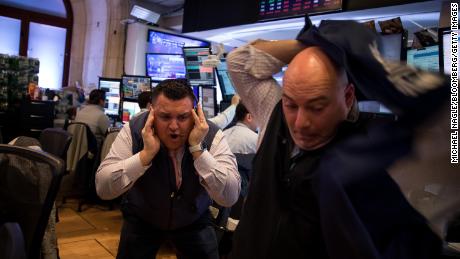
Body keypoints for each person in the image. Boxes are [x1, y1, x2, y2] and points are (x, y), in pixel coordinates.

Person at [226, 18, 447, 259]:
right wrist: (320, 46)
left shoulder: (365, 153)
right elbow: (239, 62)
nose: (300, 124)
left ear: (348, 97)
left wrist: (366, 65)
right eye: (291, 104)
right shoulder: (274, 111)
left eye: (317, 107)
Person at [96, 78, 240, 259]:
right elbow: (103, 188)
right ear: (152, 113)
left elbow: (230, 196)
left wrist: (198, 150)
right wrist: (145, 155)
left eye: (183, 117)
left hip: (193, 217)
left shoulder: (211, 134)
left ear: (195, 114)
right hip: (143, 215)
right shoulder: (134, 129)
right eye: (165, 117)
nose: (174, 127)